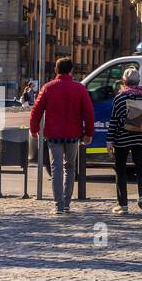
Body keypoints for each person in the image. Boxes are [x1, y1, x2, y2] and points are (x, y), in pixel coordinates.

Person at [28, 56, 95, 214]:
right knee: (70, 167)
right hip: (73, 134)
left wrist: (34, 128)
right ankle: (66, 203)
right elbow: (89, 112)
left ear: (55, 70)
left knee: (56, 167)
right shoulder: (79, 88)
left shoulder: (48, 87)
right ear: (71, 70)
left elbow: (36, 110)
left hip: (53, 135)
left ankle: (58, 204)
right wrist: (89, 133)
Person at [107, 67, 142, 215]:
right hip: (141, 138)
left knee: (121, 170)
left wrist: (110, 140)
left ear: (124, 81)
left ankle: (122, 205)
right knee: (141, 169)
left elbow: (114, 121)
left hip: (122, 139)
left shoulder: (120, 98)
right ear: (138, 81)